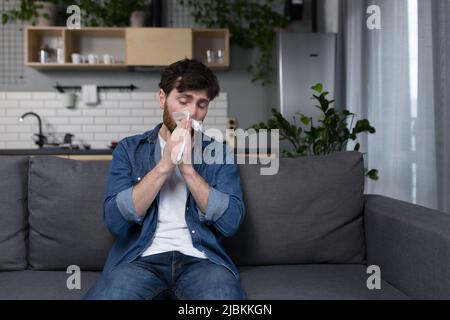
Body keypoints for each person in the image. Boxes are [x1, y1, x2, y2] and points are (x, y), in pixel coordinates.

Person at [84, 59, 247, 300]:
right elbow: (115, 221)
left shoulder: (219, 153)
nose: (192, 113)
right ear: (162, 98)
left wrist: (188, 170)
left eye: (202, 104)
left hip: (202, 262)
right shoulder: (129, 150)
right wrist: (164, 166)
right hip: (139, 261)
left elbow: (231, 223)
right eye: (184, 101)